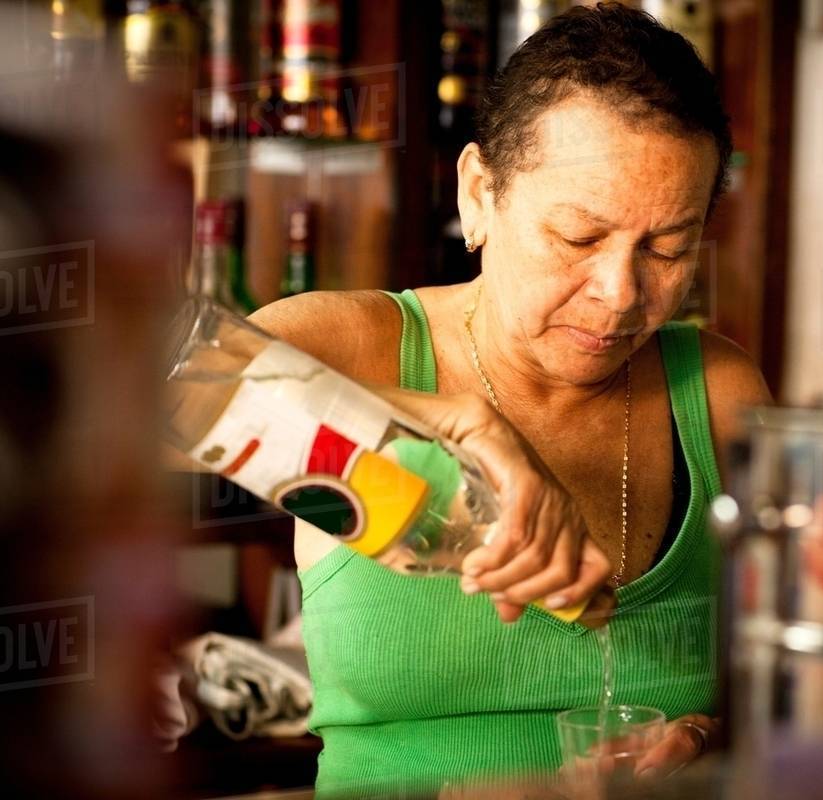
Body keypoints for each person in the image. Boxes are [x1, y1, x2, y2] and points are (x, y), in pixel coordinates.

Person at [250, 4, 771, 795]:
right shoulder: (354, 346)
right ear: (479, 193)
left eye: (669, 248)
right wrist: (454, 419)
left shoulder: (718, 392)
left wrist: (707, 738)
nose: (620, 292)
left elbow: (789, 685)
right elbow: (145, 408)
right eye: (578, 237)